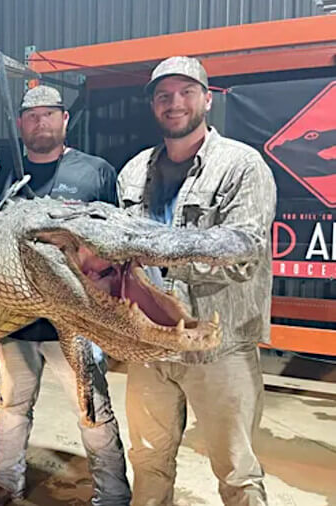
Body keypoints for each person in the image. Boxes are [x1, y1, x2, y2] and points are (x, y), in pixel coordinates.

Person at [118, 56, 275, 506]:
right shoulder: (133, 172)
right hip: (150, 341)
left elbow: (243, 247)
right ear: (154, 106)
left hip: (218, 346)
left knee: (236, 468)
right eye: (164, 96)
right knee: (148, 460)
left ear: (207, 99)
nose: (175, 103)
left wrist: (158, 252)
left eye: (187, 92)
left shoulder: (242, 166)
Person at [0, 85, 131, 506]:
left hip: (74, 322)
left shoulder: (94, 172)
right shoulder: (5, 178)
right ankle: (6, 484)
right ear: (21, 125)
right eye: (31, 116)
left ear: (64, 119)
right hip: (15, 321)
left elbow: (116, 244)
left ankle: (113, 495)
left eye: (48, 114)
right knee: (11, 406)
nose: (40, 122)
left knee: (92, 407)